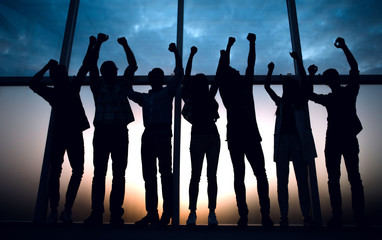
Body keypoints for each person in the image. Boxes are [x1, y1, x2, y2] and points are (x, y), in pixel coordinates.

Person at [29, 38, 91, 224]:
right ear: (60, 76)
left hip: (61, 133)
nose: (66, 74)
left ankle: (58, 210)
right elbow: (84, 67)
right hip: (72, 133)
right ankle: (64, 210)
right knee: (74, 170)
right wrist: (91, 45)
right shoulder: (70, 89)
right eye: (63, 72)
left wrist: (47, 66)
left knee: (58, 170)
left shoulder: (54, 92)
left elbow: (33, 83)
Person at [215, 34, 273, 227]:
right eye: (235, 71)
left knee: (241, 176)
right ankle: (262, 215)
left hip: (237, 137)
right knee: (258, 174)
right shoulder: (242, 87)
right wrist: (249, 43)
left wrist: (230, 46)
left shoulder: (228, 92)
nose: (238, 71)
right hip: (247, 136)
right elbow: (249, 64)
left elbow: (238, 67)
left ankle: (246, 215)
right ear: (233, 76)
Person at [309, 37, 365, 227]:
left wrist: (310, 75)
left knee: (339, 180)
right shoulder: (347, 93)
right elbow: (354, 68)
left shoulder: (336, 97)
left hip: (336, 141)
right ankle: (356, 216)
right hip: (343, 140)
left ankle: (340, 216)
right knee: (351, 179)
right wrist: (344, 48)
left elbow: (310, 95)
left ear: (329, 81)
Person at [127, 43, 183, 226]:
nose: (154, 79)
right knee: (150, 175)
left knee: (165, 174)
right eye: (152, 76)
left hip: (162, 133)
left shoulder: (167, 93)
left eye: (157, 76)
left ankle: (166, 213)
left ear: (160, 79)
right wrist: (130, 70)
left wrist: (176, 53)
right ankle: (153, 213)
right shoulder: (146, 98)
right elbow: (128, 91)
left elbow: (179, 74)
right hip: (150, 134)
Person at [84, 33, 137, 226]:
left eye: (110, 70)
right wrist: (98, 44)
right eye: (107, 70)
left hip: (115, 132)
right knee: (103, 174)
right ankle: (100, 213)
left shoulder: (120, 84)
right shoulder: (98, 86)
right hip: (108, 132)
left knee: (114, 174)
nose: (109, 72)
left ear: (113, 71)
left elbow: (132, 66)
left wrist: (125, 45)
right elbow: (92, 65)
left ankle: (112, 214)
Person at [264, 52, 317, 227]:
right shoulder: (284, 103)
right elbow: (267, 86)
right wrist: (270, 71)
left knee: (298, 181)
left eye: (286, 86)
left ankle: (301, 216)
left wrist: (299, 63)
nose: (284, 88)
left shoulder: (295, 102)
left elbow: (307, 88)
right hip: (288, 142)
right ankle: (288, 216)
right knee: (286, 181)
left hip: (293, 142)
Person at [182, 46, 220, 226]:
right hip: (207, 136)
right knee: (206, 176)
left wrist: (191, 55)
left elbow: (187, 77)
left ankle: (198, 213)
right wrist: (191, 56)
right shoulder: (199, 96)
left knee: (198, 176)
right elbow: (187, 76)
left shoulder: (193, 97)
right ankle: (202, 213)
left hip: (205, 137)